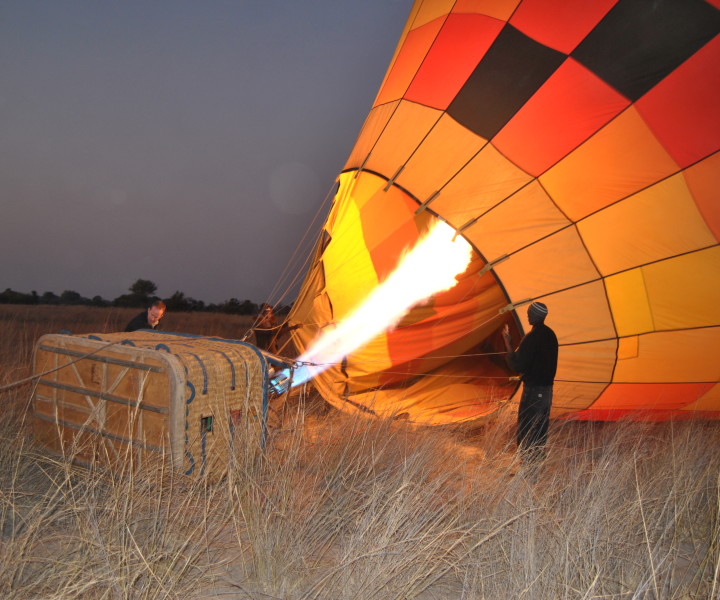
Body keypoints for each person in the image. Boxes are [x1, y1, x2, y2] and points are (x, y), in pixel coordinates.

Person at [501, 301, 558, 463]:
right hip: (547, 391)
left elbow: (517, 365)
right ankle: (536, 466)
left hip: (533, 391)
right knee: (540, 428)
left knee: (527, 428)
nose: (527, 315)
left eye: (529, 313)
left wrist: (508, 343)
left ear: (535, 316)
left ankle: (526, 466)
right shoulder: (550, 335)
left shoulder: (532, 337)